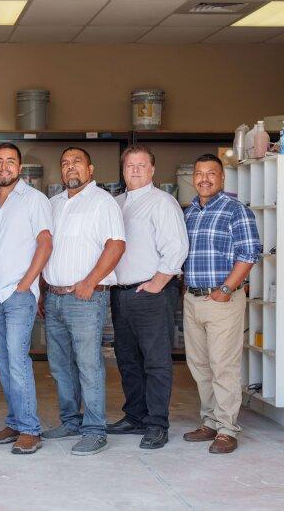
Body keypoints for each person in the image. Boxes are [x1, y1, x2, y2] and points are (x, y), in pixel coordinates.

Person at [41, 147, 125, 456]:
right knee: (60, 365)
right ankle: (70, 421)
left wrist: (90, 281)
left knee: (89, 365)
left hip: (85, 298)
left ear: (90, 169)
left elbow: (116, 245)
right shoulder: (53, 204)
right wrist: (42, 288)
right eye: (65, 163)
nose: (70, 167)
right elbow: (45, 250)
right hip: (54, 297)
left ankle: (94, 429)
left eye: (77, 162)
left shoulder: (102, 202)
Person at [108, 145, 188, 449]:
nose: (135, 170)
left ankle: (157, 423)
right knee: (127, 359)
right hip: (121, 293)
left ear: (152, 170)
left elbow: (177, 246)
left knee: (155, 361)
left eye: (141, 165)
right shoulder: (116, 204)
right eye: (130, 165)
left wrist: (158, 282)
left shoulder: (162, 202)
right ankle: (135, 416)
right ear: (123, 170)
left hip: (151, 292)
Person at [182, 154, 261, 454]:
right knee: (200, 365)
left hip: (222, 299)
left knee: (223, 365)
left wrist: (226, 289)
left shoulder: (235, 210)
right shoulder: (190, 212)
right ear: (193, 178)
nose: (204, 179)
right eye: (199, 173)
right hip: (193, 298)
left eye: (211, 173)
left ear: (222, 177)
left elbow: (249, 252)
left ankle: (227, 429)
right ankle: (210, 421)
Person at [0, 143, 53, 455]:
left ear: (20, 168)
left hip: (18, 294)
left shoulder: (34, 199)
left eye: (10, 161)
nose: (4, 167)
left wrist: (26, 284)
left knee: (18, 359)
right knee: (2, 361)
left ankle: (30, 429)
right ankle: (14, 421)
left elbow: (45, 243)